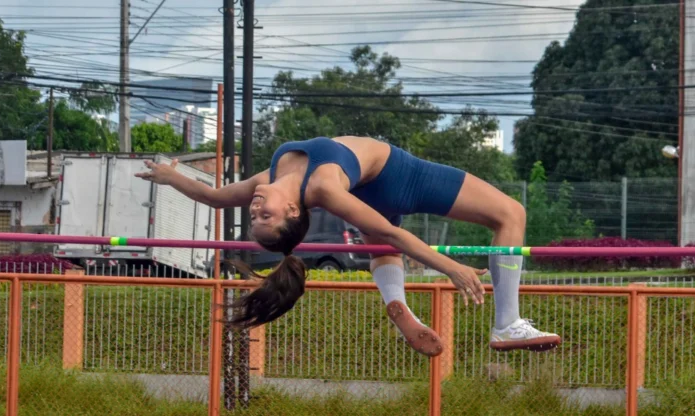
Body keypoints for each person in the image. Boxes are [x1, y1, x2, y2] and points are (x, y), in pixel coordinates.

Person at [137, 136, 561, 355]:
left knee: (384, 248)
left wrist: (170, 176)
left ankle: (398, 306)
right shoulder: (322, 185)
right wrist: (447, 265)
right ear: (294, 213)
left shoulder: (266, 180)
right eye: (264, 216)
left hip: (368, 191)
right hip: (399, 176)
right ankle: (507, 322)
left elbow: (213, 196)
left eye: (254, 216)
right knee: (510, 214)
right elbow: (394, 234)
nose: (256, 208)